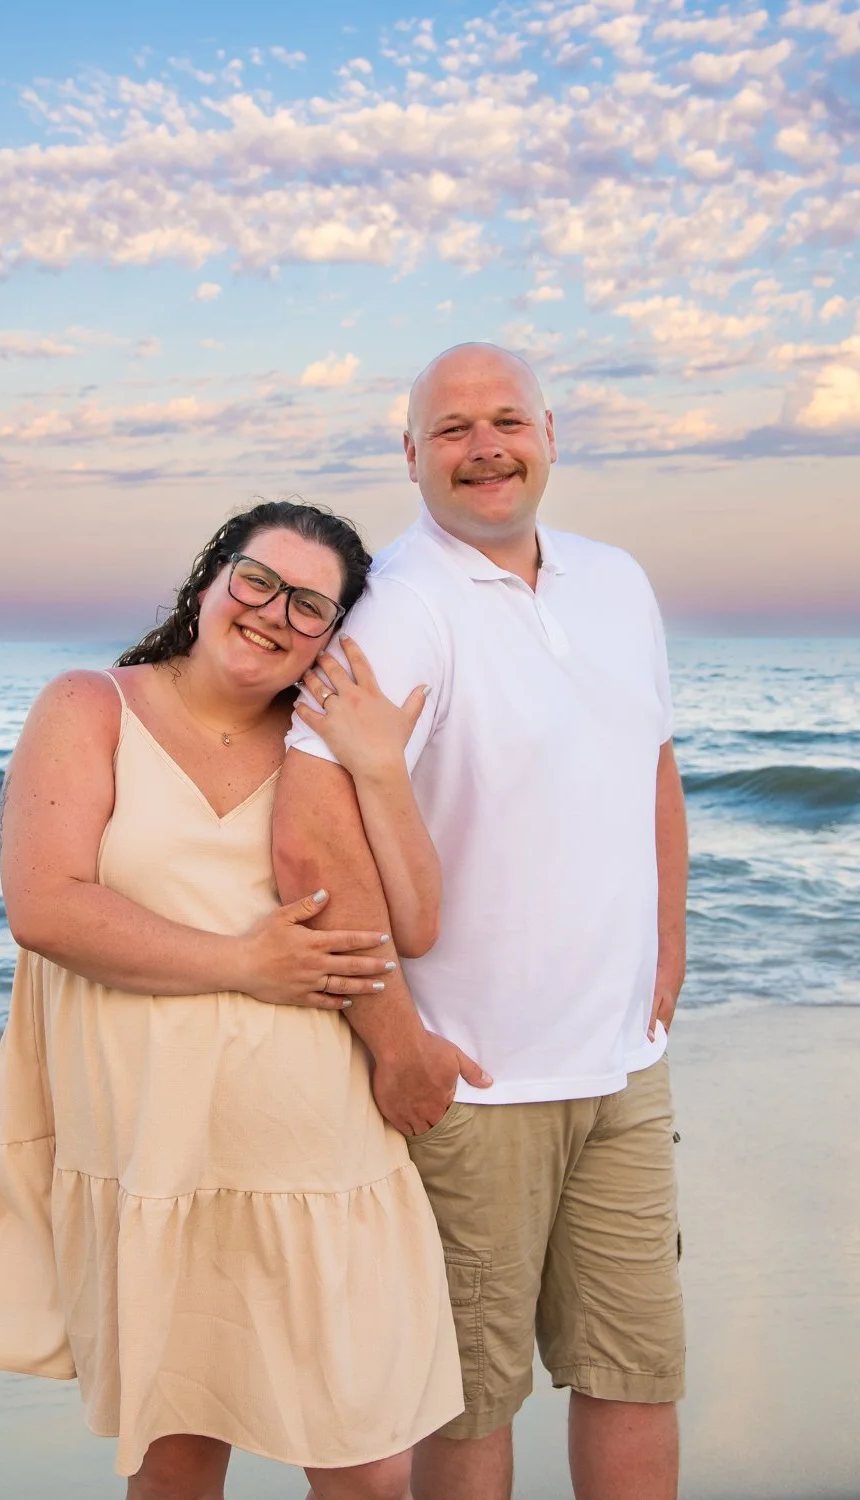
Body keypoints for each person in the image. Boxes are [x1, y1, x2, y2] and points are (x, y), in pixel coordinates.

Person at [0, 501, 467, 1500]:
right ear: (209, 580)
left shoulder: (320, 741)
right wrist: (244, 963)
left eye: (311, 607)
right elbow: (47, 908)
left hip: (319, 1150)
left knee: (370, 1466)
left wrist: (379, 766)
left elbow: (414, 923)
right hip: (154, 1143)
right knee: (178, 1462)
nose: (274, 614)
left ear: (334, 637)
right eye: (257, 581)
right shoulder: (88, 707)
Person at [273, 346, 689, 1500]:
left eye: (506, 420)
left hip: (622, 1066)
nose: (483, 446)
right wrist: (395, 1038)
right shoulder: (398, 610)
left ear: (551, 434)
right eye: (450, 429)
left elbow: (650, 766)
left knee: (636, 1370)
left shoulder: (618, 581)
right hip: (473, 1085)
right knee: (470, 1398)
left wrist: (669, 944)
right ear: (409, 455)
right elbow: (307, 840)